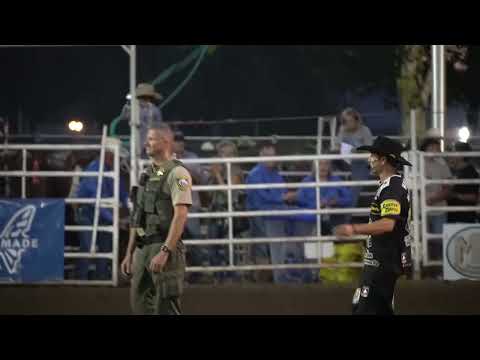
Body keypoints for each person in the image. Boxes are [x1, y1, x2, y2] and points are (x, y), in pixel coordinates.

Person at [335, 136, 413, 315]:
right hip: (379, 263)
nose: (369, 159)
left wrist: (353, 229)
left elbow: (387, 224)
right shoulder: (390, 186)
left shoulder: (392, 188)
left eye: (372, 155)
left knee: (365, 310)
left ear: (383, 160)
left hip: (382, 264)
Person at [121, 123, 192, 315]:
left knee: (165, 306)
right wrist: (130, 253)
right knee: (141, 306)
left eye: (151, 139)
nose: (147, 143)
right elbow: (138, 216)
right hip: (143, 249)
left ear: (166, 141)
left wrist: (165, 251)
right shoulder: (151, 173)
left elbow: (181, 215)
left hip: (163, 246)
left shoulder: (178, 173)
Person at [292, 159, 358, 284]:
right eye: (320, 164)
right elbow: (300, 200)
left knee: (332, 246)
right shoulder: (307, 182)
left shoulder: (336, 181)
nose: (323, 167)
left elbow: (349, 198)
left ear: (330, 167)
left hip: (333, 219)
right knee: (312, 245)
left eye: (326, 164)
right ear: (314, 167)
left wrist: (336, 201)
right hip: (312, 220)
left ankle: (328, 274)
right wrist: (316, 205)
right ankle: (313, 274)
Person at [74, 142, 129, 280]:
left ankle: (102, 277)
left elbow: (122, 193)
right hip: (89, 212)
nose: (120, 161)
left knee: (105, 247)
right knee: (87, 246)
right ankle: (81, 278)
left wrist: (131, 206)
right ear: (109, 156)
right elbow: (96, 198)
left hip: (103, 213)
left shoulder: (112, 171)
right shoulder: (94, 170)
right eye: (117, 157)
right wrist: (114, 220)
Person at [246, 142, 297, 283]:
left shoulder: (275, 173)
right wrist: (283, 197)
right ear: (261, 155)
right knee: (263, 245)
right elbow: (263, 196)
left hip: (275, 213)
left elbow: (281, 191)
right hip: (260, 213)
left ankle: (275, 274)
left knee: (275, 243)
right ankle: (263, 276)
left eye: (273, 155)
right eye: (268, 155)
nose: (271, 158)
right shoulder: (255, 174)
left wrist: (287, 196)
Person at [173, 131, 210, 281]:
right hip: (173, 207)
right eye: (176, 140)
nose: (179, 143)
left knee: (194, 239)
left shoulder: (192, 158)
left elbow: (200, 178)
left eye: (181, 140)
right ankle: (175, 273)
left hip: (191, 205)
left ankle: (197, 272)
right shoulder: (165, 158)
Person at [206, 140, 245, 282]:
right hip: (215, 209)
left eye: (229, 153)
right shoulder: (216, 168)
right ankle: (217, 274)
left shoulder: (236, 170)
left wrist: (217, 175)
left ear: (234, 155)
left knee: (230, 244)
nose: (225, 156)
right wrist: (212, 175)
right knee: (212, 243)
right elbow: (208, 193)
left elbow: (230, 192)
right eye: (223, 153)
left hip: (229, 210)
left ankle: (231, 274)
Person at [421, 130, 452, 260]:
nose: (435, 150)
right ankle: (424, 268)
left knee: (440, 238)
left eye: (436, 147)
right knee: (421, 239)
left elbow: (448, 186)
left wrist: (435, 198)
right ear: (425, 148)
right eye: (432, 147)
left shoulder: (442, 165)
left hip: (439, 207)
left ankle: (439, 266)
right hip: (420, 209)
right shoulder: (416, 164)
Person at [336, 108, 374, 209]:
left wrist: (356, 149)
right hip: (345, 161)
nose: (347, 123)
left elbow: (370, 150)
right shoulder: (343, 130)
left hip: (361, 163)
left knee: (355, 185)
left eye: (350, 121)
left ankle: (348, 210)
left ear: (357, 120)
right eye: (345, 121)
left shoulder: (365, 130)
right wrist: (341, 139)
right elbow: (336, 146)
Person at [120, 83, 163, 159]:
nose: (142, 100)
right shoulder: (133, 109)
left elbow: (158, 127)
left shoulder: (155, 110)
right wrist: (128, 103)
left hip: (150, 144)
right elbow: (123, 117)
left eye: (144, 98)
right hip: (136, 143)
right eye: (140, 98)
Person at [447, 141, 479, 224]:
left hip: (464, 218)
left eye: (453, 151)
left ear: (461, 155)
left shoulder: (471, 172)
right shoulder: (453, 170)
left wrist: (455, 195)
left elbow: (474, 197)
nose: (450, 154)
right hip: (453, 216)